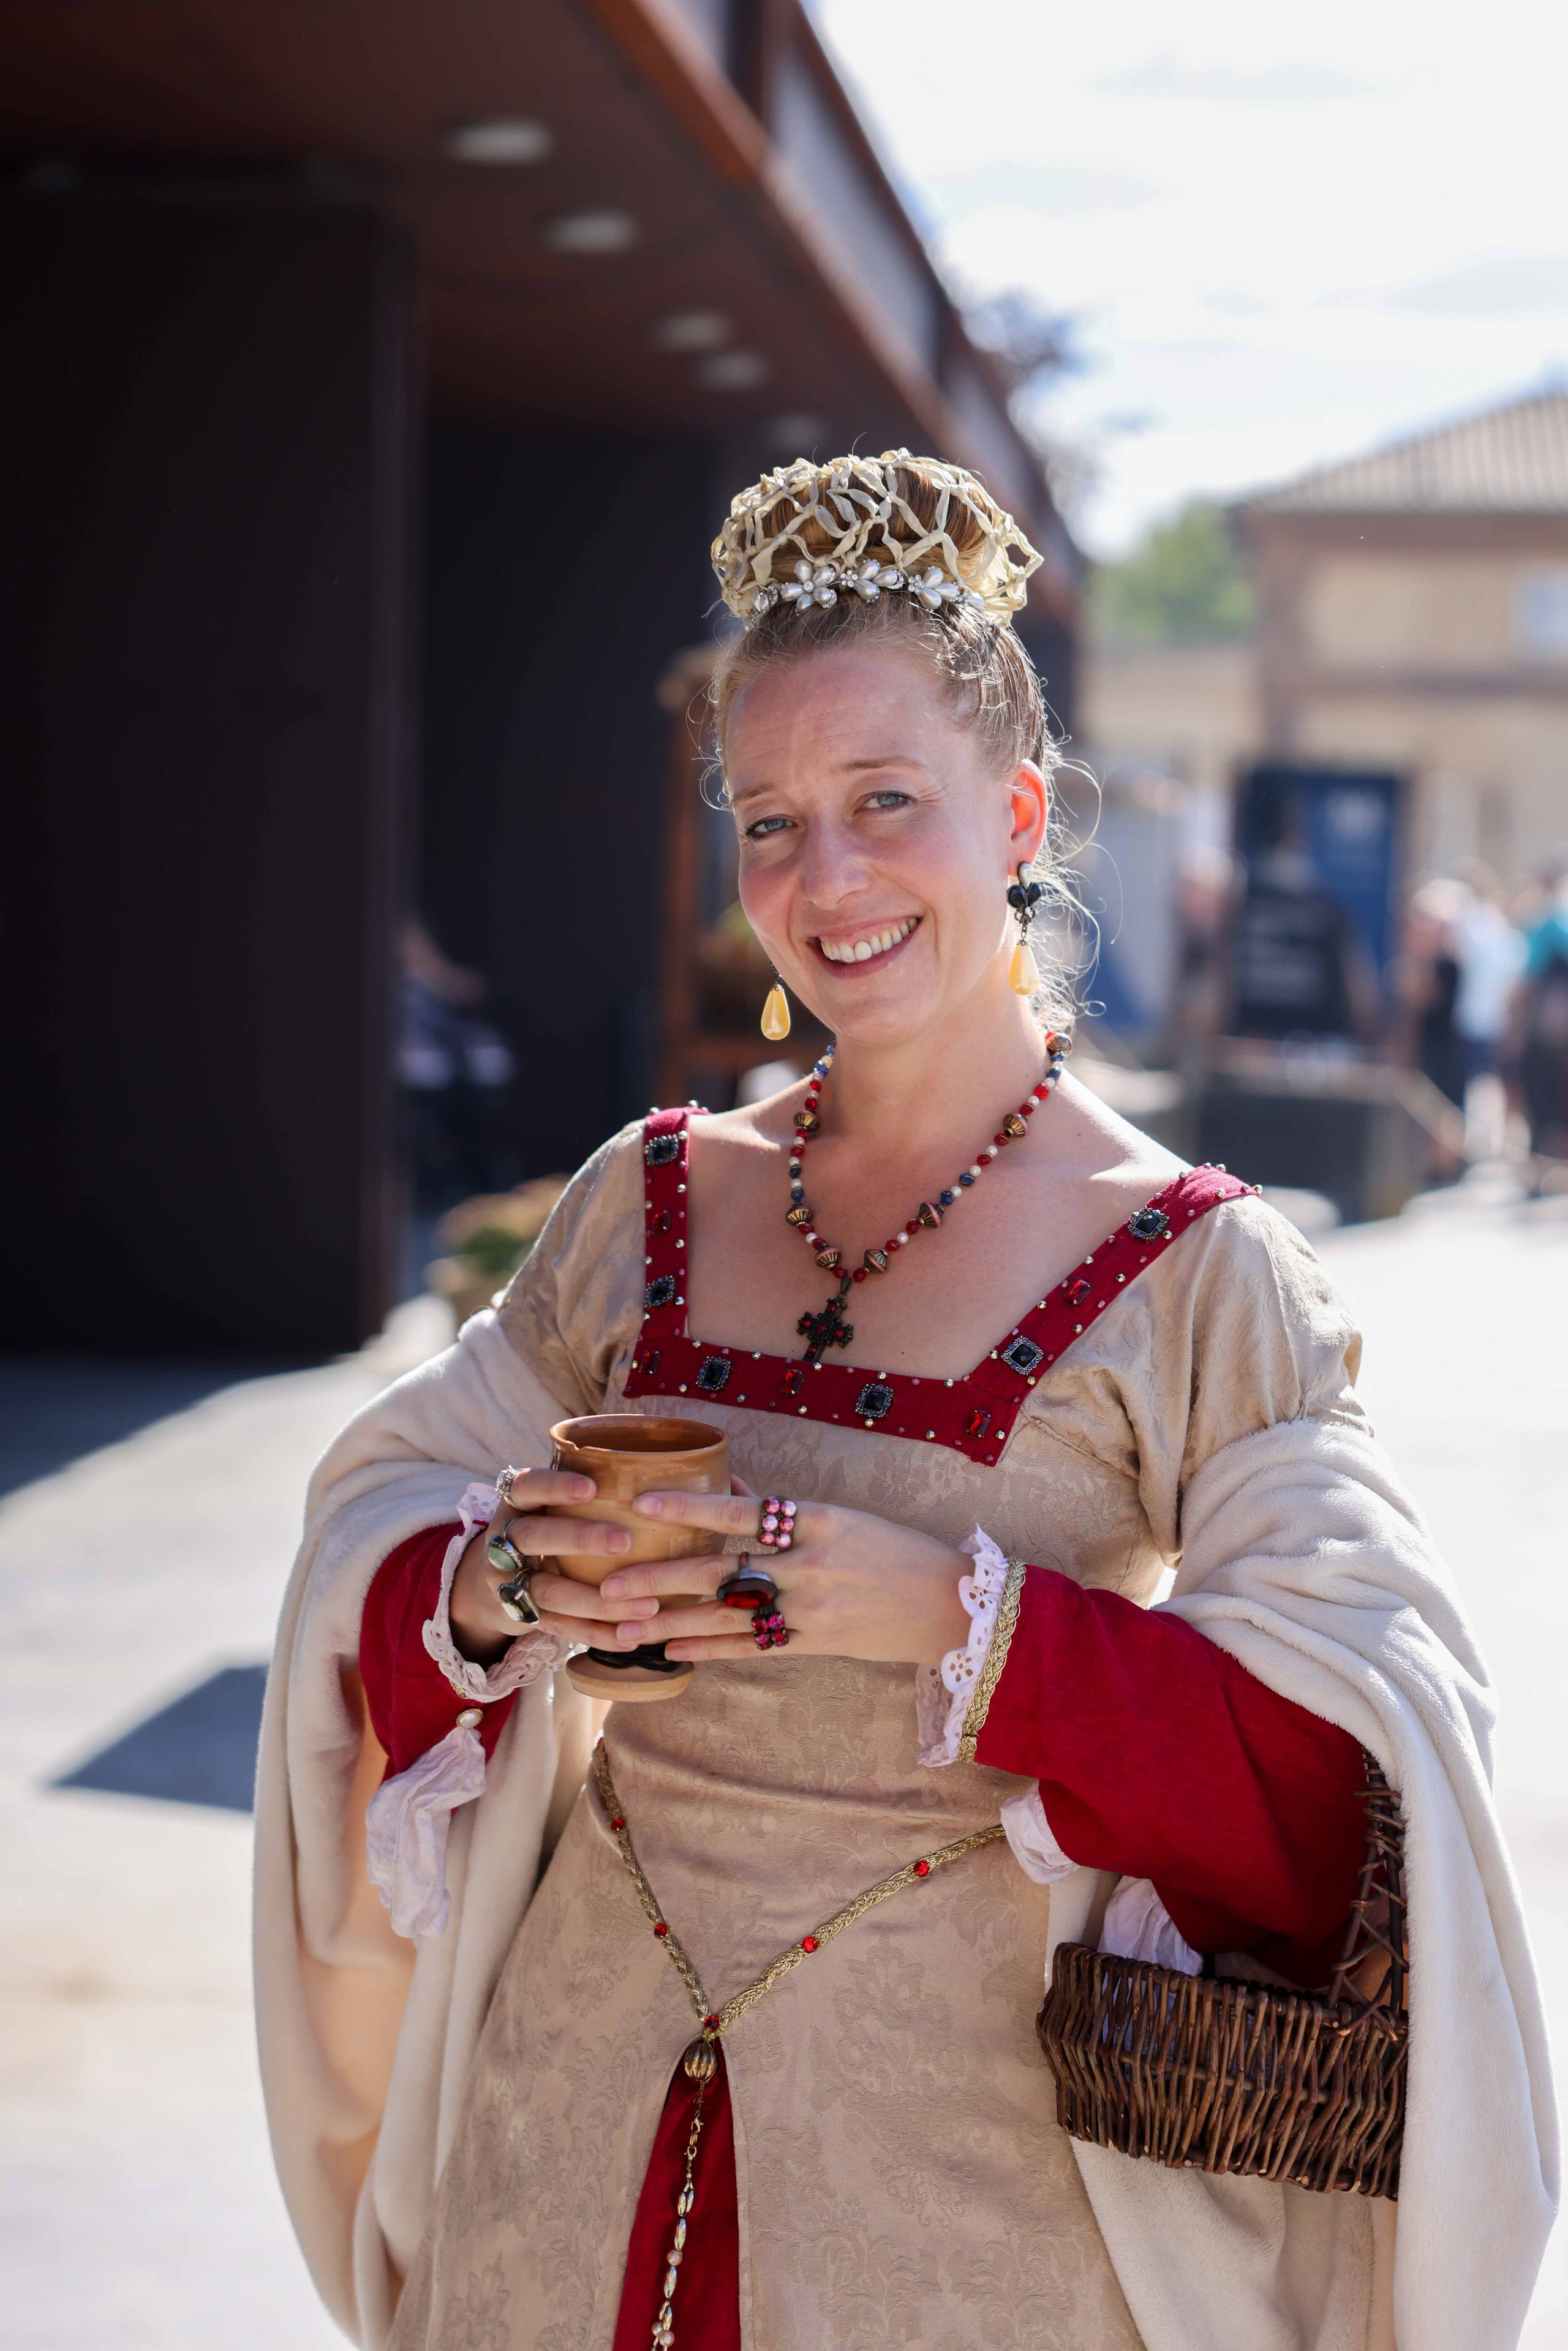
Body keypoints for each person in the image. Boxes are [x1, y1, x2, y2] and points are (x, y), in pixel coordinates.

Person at [255, 452, 1554, 2351]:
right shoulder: (647, 1201)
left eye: (886, 805)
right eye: (769, 822)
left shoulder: (1204, 1272)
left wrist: (965, 1620)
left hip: (973, 2220)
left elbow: (1361, 1782)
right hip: (561, 2147)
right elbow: (374, 1528)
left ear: (1020, 812)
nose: (825, 882)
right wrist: (501, 1595)